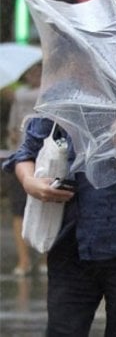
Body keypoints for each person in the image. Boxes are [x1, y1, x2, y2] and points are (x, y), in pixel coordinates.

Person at [2, 116, 116, 336]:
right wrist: (31, 183)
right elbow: (25, 153)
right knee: (62, 331)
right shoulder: (61, 101)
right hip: (70, 243)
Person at [5, 62, 44, 276]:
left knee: (48, 210)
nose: (33, 75)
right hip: (21, 159)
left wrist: (14, 95)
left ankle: (47, 258)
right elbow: (13, 127)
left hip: (45, 160)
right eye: (29, 71)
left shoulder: (48, 93)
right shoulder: (19, 97)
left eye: (37, 70)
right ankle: (24, 260)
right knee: (19, 211)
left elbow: (32, 98)